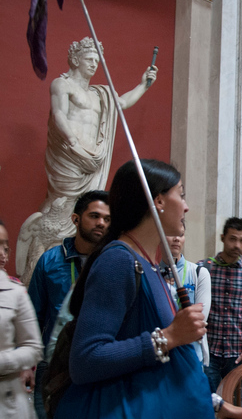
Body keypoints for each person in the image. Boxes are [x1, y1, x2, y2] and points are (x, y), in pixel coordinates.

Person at [46, 159, 242, 419]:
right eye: (181, 194)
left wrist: (215, 404)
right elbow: (86, 359)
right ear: (157, 201)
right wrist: (169, 337)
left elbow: (163, 369)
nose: (187, 205)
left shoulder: (146, 263)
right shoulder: (119, 261)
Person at [17, 38, 157, 283]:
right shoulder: (63, 84)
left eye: (96, 60)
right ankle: (46, 264)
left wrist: (144, 84)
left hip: (93, 162)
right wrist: (73, 142)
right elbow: (59, 113)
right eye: (89, 59)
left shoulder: (99, 93)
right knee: (61, 204)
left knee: (90, 206)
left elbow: (122, 103)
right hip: (69, 159)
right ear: (75, 59)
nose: (94, 64)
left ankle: (82, 260)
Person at [27, 190, 109, 419]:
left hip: (93, 366)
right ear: (76, 219)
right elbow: (34, 314)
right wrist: (31, 365)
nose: (101, 223)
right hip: (52, 367)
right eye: (94, 216)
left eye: (106, 219)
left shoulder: (111, 261)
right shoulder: (50, 261)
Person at [0, 219, 48, 419]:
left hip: (5, 403)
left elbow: (33, 347)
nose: (4, 253)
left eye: (6, 246)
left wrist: (5, 362)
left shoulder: (15, 293)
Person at [199, 218, 242, 393]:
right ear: (223, 238)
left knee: (236, 409)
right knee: (206, 407)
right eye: (233, 239)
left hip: (238, 354)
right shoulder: (204, 269)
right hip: (208, 353)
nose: (237, 245)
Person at [163, 231, 211, 366]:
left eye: (181, 235)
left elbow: (199, 319)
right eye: (172, 233)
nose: (177, 239)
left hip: (192, 355)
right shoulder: (152, 271)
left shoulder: (198, 272)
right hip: (163, 353)